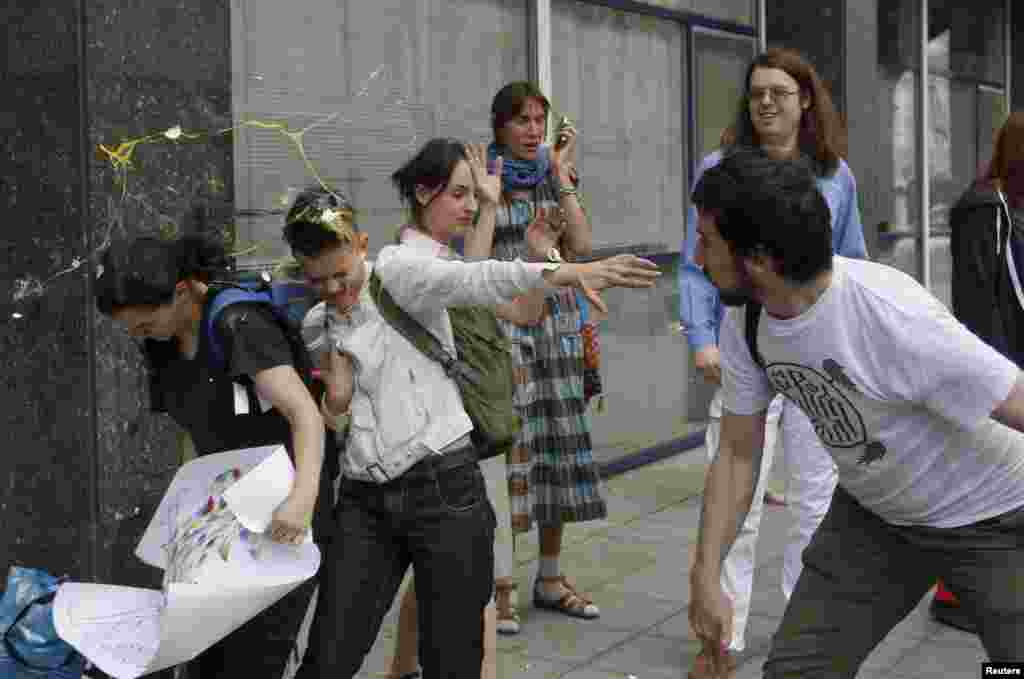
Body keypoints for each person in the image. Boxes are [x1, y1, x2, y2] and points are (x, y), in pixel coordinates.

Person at [287, 138, 661, 679]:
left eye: (341, 272)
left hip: (444, 489)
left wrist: (566, 272)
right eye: (316, 279)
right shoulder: (316, 326)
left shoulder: (398, 271)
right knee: (328, 657)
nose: (333, 289)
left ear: (361, 244)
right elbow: (338, 424)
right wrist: (338, 401)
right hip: (365, 502)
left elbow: (477, 278)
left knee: (453, 661)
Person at [688, 147, 1024, 676]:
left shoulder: (892, 315)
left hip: (992, 513)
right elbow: (736, 451)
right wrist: (706, 576)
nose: (698, 260)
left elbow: (1017, 400)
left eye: (707, 244)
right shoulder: (749, 315)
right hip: (877, 518)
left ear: (758, 258)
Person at [678, 46, 867, 677]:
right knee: (739, 490)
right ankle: (721, 632)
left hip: (815, 353)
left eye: (779, 93)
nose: (765, 102)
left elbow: (852, 264)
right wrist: (701, 337)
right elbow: (697, 261)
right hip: (742, 340)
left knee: (815, 496)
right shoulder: (721, 167)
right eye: (757, 92)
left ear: (805, 100)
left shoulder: (835, 175)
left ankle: (801, 627)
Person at [95, 234, 337, 678]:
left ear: (184, 292)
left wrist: (302, 500)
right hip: (223, 512)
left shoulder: (239, 325)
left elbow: (305, 414)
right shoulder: (162, 344)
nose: (138, 336)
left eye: (144, 325)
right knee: (204, 654)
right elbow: (194, 438)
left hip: (283, 510)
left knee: (255, 656)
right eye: (131, 329)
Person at [456, 81, 605, 625]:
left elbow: (584, 248)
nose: (533, 130)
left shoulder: (552, 173)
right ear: (500, 127)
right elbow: (471, 264)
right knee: (506, 460)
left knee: (557, 454)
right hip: (505, 333)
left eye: (540, 119)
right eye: (521, 120)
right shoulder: (480, 181)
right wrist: (487, 200)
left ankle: (549, 574)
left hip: (558, 330)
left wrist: (562, 179)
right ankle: (499, 583)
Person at [943, 110, 1024, 634]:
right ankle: (957, 596)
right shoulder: (985, 207)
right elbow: (979, 303)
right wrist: (994, 379)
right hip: (1001, 368)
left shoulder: (1013, 206)